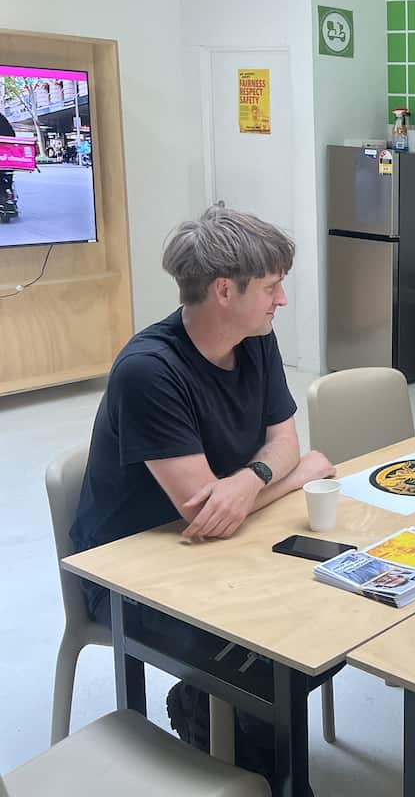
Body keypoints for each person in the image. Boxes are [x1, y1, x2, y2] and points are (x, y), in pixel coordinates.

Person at [69, 205, 335, 784]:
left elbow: (283, 446)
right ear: (223, 290)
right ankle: (263, 771)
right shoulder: (148, 371)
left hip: (210, 552)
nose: (281, 300)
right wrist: (289, 475)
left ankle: (202, 711)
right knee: (275, 661)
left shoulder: (254, 336)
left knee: (330, 621)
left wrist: (254, 480)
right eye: (271, 287)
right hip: (130, 575)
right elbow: (207, 513)